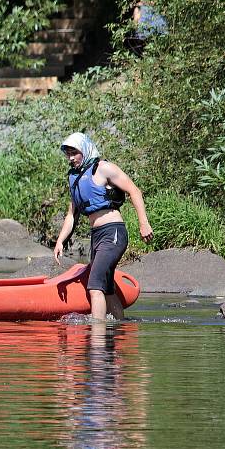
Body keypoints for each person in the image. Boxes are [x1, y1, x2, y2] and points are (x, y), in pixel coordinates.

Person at [53, 133, 153, 321]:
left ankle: (97, 336)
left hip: (113, 232)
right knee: (106, 288)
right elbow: (71, 215)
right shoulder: (74, 179)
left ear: (85, 149)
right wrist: (60, 241)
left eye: (74, 152)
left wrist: (143, 223)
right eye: (67, 154)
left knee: (95, 286)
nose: (71, 158)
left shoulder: (103, 168)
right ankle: (120, 328)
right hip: (97, 235)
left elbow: (134, 190)